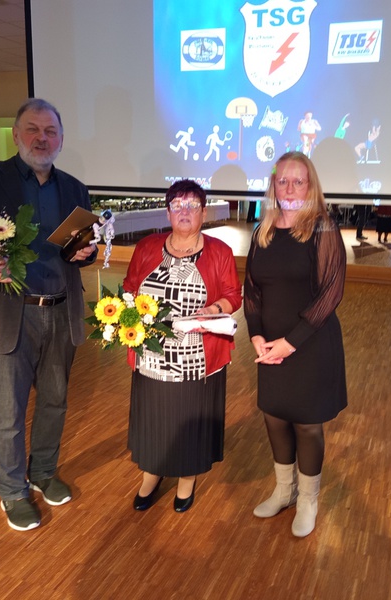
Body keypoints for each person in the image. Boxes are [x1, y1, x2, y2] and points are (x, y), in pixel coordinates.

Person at [0, 98, 98, 531]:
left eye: (50, 131)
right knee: (8, 412)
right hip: (9, 314)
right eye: (33, 129)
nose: (41, 138)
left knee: (54, 402)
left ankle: (43, 472)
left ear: (61, 139)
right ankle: (12, 491)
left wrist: (86, 253)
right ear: (16, 134)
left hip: (61, 311)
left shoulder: (74, 188)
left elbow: (78, 249)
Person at [244, 151, 347, 538]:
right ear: (273, 185)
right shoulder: (263, 231)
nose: (288, 188)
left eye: (297, 181)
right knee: (274, 417)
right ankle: (284, 491)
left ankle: (307, 500)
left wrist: (290, 342)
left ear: (310, 186)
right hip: (270, 344)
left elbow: (331, 293)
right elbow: (251, 289)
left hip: (310, 342)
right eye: (282, 180)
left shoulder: (322, 229)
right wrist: (256, 334)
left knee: (306, 425)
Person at [123, 179, 242, 513]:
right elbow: (130, 286)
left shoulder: (220, 252)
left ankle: (187, 480)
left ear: (203, 212)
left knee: (190, 420)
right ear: (168, 212)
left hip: (197, 356)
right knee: (154, 418)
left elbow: (233, 295)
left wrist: (214, 309)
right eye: (177, 205)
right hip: (152, 354)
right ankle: (151, 474)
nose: (184, 211)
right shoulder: (147, 246)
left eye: (192, 205)